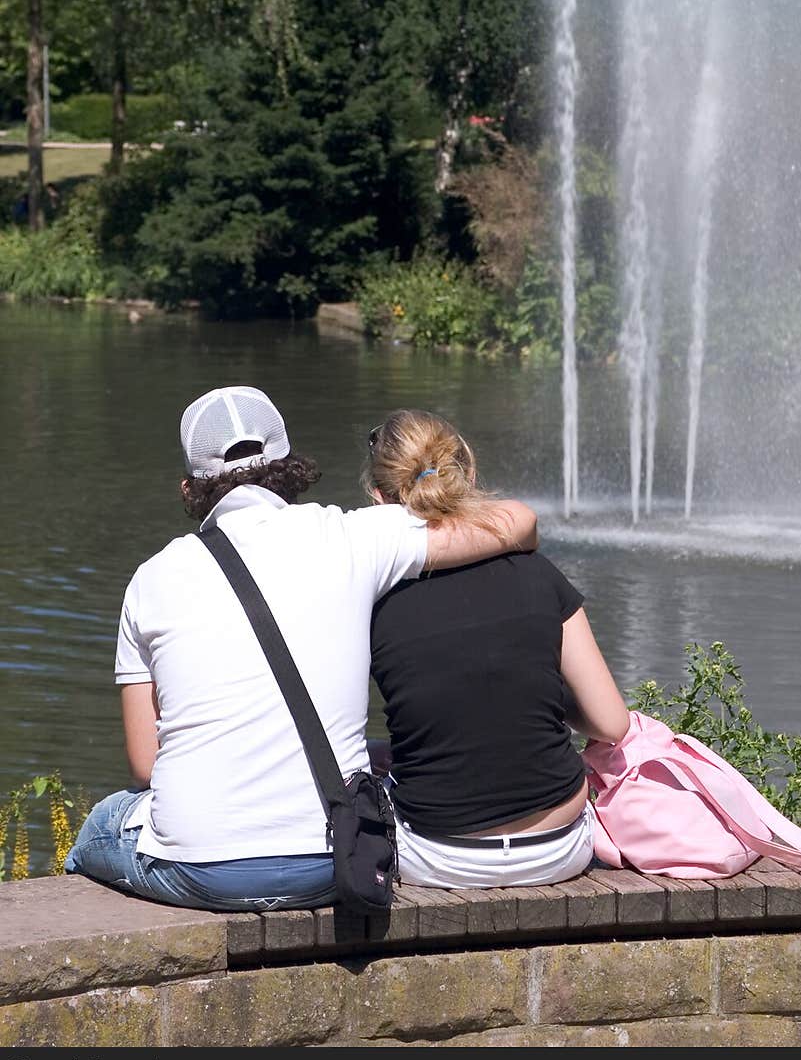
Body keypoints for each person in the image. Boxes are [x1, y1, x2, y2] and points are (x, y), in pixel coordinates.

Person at [65, 386, 538, 912]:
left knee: (101, 826)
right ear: (288, 464)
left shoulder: (149, 580)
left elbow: (145, 763)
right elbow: (517, 520)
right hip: (331, 860)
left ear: (188, 488)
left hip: (197, 869)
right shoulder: (352, 536)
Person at [365, 408, 630, 888]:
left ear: (378, 496)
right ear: (468, 473)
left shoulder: (371, 596)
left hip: (435, 854)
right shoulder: (538, 572)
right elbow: (612, 723)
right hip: (558, 848)